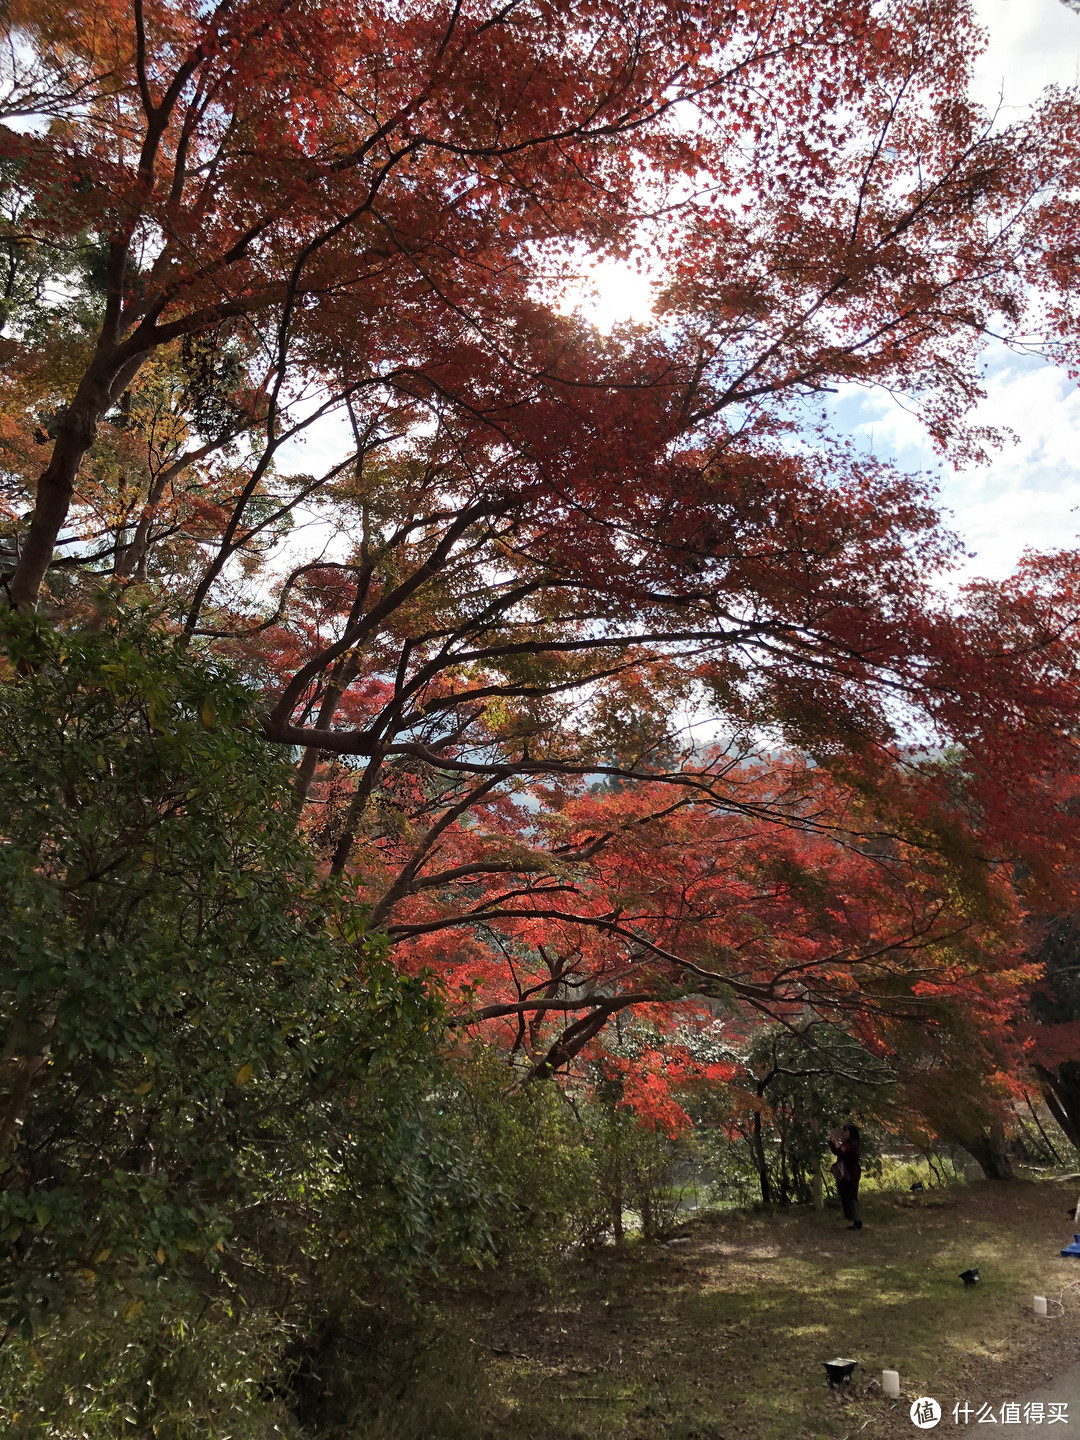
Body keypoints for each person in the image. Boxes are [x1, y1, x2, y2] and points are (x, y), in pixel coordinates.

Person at [828, 1124, 862, 1230]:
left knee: (852, 1196)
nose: (845, 1133)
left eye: (846, 1131)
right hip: (843, 1173)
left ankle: (857, 1221)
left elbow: (845, 1153)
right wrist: (833, 1142)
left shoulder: (854, 1144)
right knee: (845, 1196)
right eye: (844, 1131)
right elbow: (838, 1152)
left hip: (851, 1173)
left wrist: (837, 1144)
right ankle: (852, 1220)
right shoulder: (846, 1143)